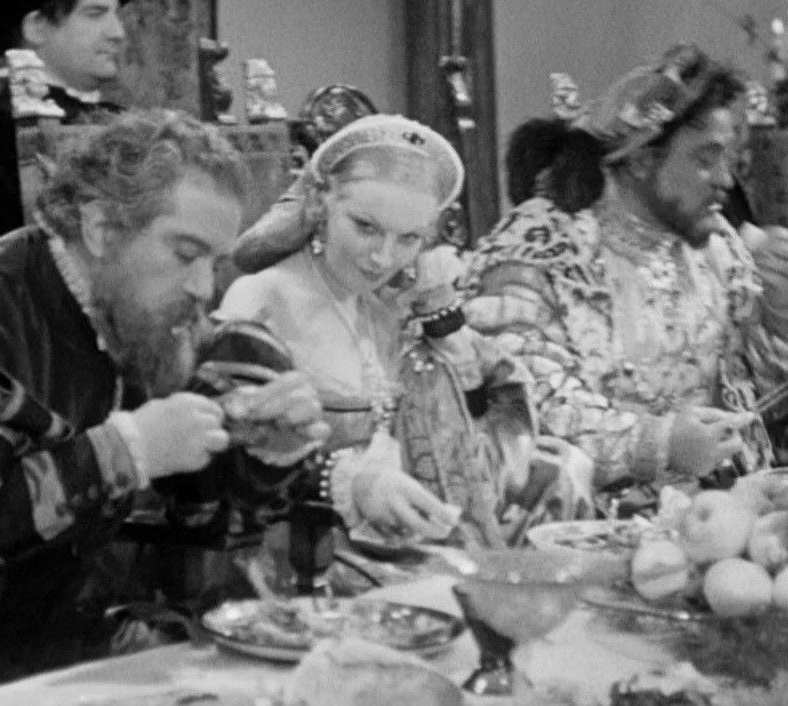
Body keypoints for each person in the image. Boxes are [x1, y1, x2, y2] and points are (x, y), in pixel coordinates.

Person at [0, 110, 456, 680]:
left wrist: (268, 450)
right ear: (102, 227)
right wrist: (125, 450)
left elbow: (201, 506)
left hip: (67, 641)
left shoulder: (135, 314)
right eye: (186, 253)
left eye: (215, 260)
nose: (205, 288)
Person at [464, 44, 788, 484]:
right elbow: (521, 414)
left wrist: (784, 314)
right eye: (705, 159)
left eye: (730, 160)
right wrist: (658, 444)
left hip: (725, 511)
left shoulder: (717, 248)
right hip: (587, 518)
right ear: (642, 160)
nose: (726, 179)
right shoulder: (537, 248)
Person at [220, 115, 590, 548]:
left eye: (408, 239)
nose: (383, 257)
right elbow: (231, 457)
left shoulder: (390, 307)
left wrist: (442, 323)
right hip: (303, 549)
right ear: (321, 203)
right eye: (366, 227)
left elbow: (479, 408)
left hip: (397, 538)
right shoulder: (262, 298)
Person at [0, 0, 132, 242]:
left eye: (116, 15)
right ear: (36, 27)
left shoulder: (121, 117)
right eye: (95, 14)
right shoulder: (3, 128)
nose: (118, 33)